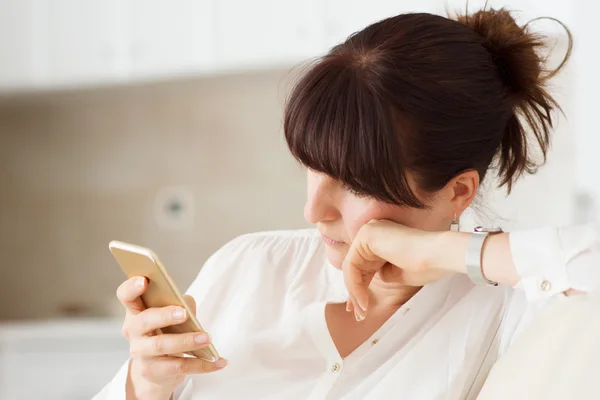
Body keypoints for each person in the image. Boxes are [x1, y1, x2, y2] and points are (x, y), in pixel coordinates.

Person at [94, 7, 598, 400]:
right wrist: (147, 384)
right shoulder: (248, 268)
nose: (315, 212)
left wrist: (443, 252)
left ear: (458, 192)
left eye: (357, 183)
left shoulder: (507, 311)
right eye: (313, 167)